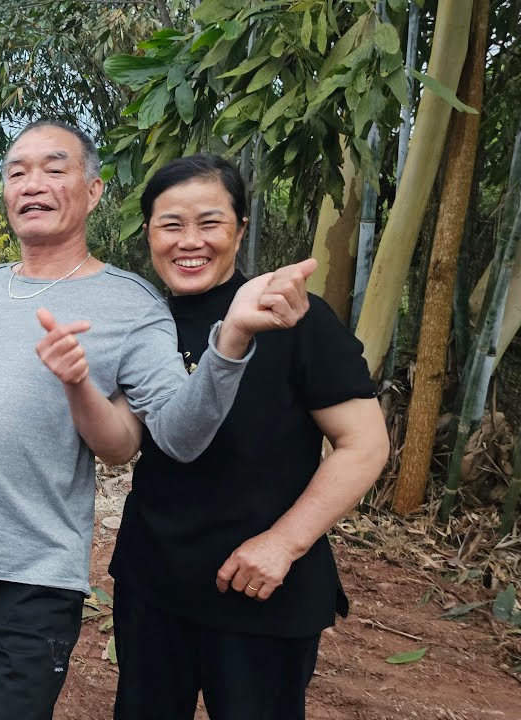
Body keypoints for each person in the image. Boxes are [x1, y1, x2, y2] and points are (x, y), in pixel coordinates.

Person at [0, 120, 317, 720]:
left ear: (93, 192)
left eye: (54, 168)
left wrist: (232, 339)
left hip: (32, 579)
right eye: (17, 172)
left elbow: (171, 435)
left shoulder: (132, 305)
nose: (32, 183)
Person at [108, 154, 390, 720]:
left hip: (261, 591)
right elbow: (126, 438)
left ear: (239, 229)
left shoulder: (293, 318)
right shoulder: (145, 323)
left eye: (210, 223)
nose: (191, 241)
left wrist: (283, 544)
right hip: (153, 583)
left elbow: (365, 444)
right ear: (149, 235)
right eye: (172, 225)